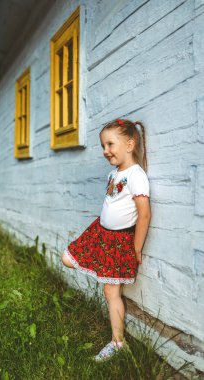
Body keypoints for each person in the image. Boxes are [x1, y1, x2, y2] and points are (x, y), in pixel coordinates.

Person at [61, 118, 152, 361]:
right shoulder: (114, 174)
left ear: (130, 145)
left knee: (111, 293)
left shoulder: (136, 175)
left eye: (110, 144)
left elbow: (144, 213)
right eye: (103, 145)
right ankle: (100, 269)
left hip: (119, 241)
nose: (105, 151)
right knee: (67, 259)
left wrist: (137, 248)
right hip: (99, 233)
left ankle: (117, 343)